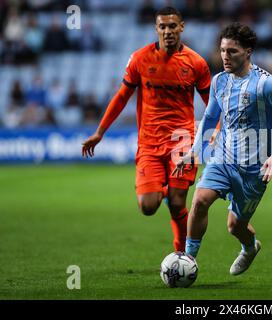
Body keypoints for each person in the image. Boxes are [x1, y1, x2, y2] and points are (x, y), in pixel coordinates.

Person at [172, 22, 272, 276]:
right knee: (199, 201)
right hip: (223, 158)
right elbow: (210, 118)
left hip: (254, 169)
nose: (225, 56)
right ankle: (188, 260)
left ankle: (250, 247)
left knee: (235, 226)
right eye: (222, 50)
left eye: (232, 51)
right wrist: (196, 150)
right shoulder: (219, 81)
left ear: (248, 52)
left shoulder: (267, 84)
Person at [81, 7, 211, 252]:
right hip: (149, 142)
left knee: (176, 202)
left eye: (172, 26)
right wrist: (100, 132)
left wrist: (214, 131)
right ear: (156, 29)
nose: (168, 31)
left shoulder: (196, 63)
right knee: (147, 206)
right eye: (162, 26)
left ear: (181, 27)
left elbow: (211, 103)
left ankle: (182, 254)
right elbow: (121, 97)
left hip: (182, 140)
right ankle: (163, 186)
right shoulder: (140, 59)